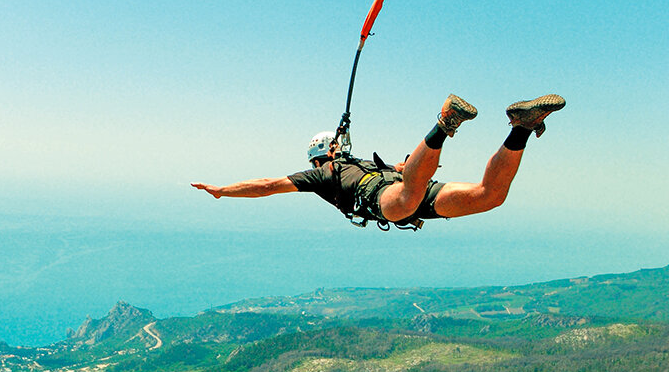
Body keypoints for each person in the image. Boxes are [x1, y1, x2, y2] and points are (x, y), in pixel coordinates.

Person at [191, 94, 565, 230]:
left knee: (405, 200)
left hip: (393, 200)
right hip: (414, 192)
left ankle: (444, 122)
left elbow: (270, 186)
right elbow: (407, 172)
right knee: (490, 196)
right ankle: (522, 126)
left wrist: (223, 191)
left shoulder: (324, 172)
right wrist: (403, 171)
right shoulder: (361, 162)